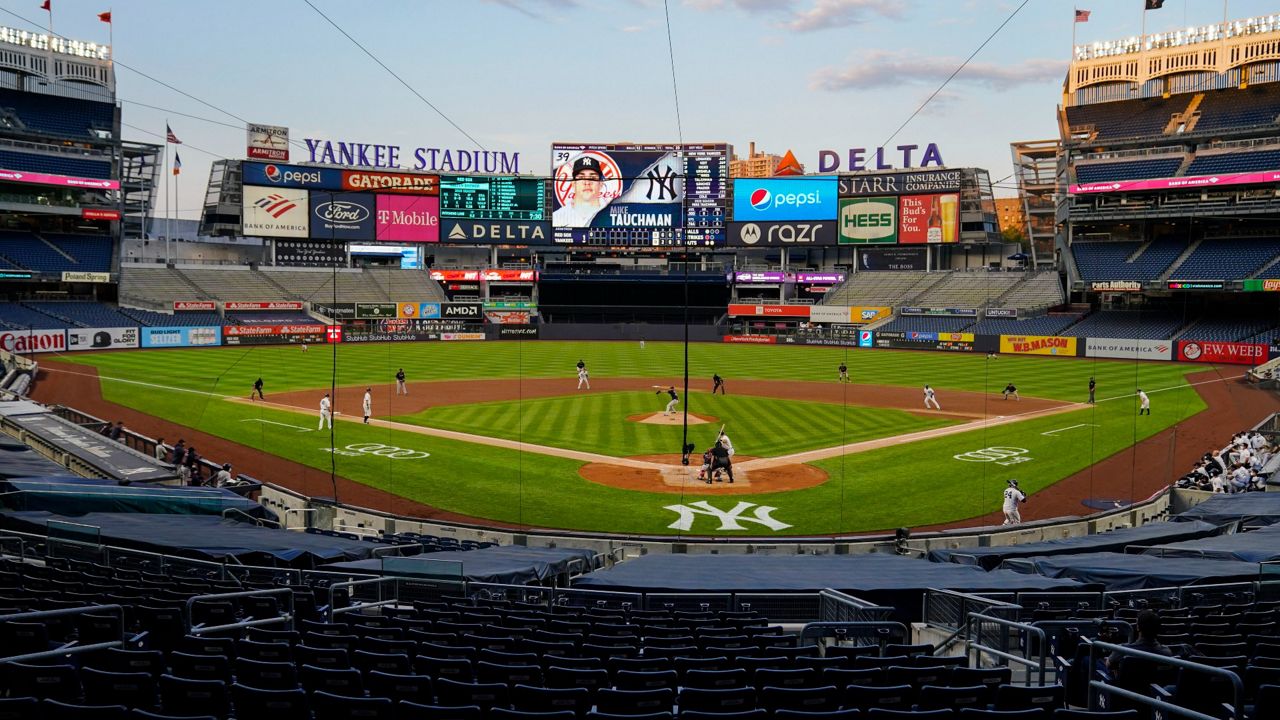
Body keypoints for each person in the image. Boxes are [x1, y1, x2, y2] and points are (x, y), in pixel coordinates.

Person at [553, 155, 608, 227]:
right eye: (581, 177)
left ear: (601, 184)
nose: (587, 182)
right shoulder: (556, 217)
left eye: (593, 177)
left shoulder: (610, 213)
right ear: (573, 184)